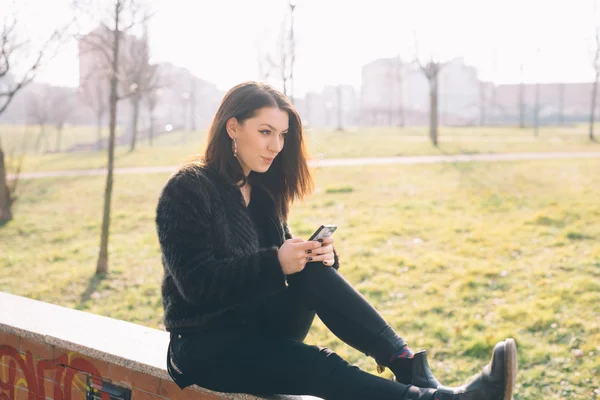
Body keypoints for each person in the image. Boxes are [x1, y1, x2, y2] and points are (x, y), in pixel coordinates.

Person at [155, 81, 518, 400]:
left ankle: (406, 364)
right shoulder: (188, 188)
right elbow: (196, 285)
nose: (277, 145)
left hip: (258, 325)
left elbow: (282, 267)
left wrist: (312, 256)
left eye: (282, 135)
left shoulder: (261, 193)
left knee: (311, 270)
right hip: (204, 346)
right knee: (321, 366)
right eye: (266, 132)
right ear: (232, 127)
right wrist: (276, 262)